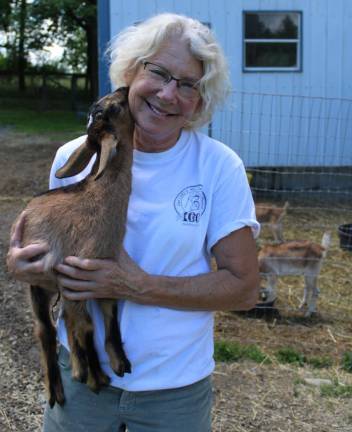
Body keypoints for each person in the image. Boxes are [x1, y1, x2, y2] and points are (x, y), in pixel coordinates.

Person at [7, 13, 260, 432]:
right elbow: (53, 265)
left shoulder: (218, 167)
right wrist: (26, 268)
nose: (167, 94)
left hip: (174, 391)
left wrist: (136, 285)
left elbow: (244, 288)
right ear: (131, 72)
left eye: (188, 84)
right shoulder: (75, 155)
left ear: (201, 101)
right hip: (82, 382)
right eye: (158, 72)